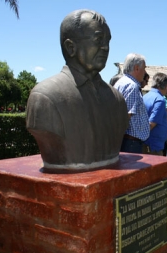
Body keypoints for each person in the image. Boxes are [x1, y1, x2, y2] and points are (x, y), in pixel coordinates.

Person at [26, 9, 128, 171]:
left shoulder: (117, 99)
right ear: (70, 47)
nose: (105, 47)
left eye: (107, 40)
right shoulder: (45, 97)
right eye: (98, 39)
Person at [114, 53, 150, 153]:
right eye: (144, 68)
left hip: (127, 141)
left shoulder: (121, 82)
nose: (145, 72)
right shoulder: (132, 86)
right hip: (131, 142)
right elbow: (126, 115)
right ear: (137, 68)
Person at [142, 72, 167, 155]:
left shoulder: (145, 96)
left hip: (146, 143)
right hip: (153, 146)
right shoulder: (160, 100)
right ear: (165, 86)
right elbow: (151, 124)